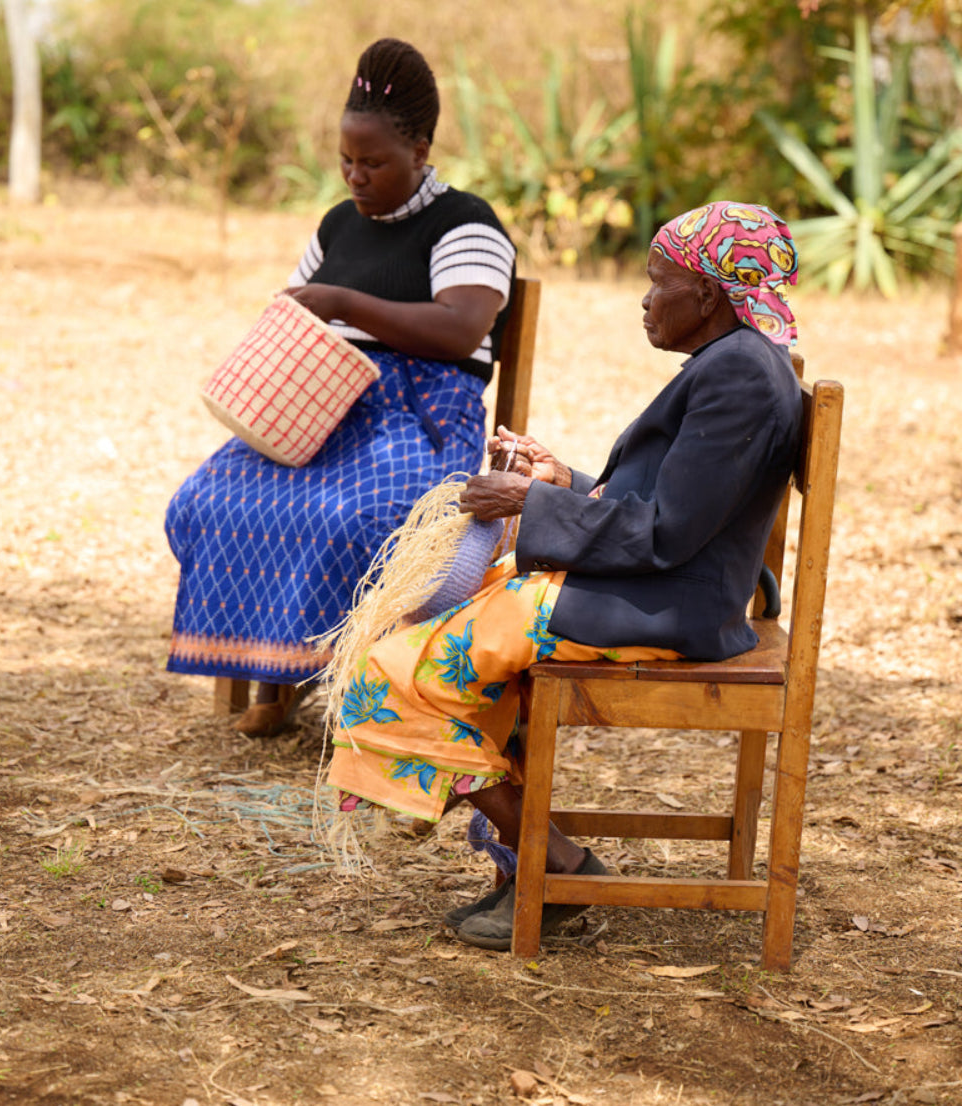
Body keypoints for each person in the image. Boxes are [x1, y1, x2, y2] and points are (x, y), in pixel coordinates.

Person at [325, 200, 804, 951]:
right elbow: (674, 506)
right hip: (657, 587)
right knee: (428, 644)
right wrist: (567, 481)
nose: (646, 299)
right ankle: (536, 865)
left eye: (658, 281)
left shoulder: (740, 372)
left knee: (388, 672)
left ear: (708, 294)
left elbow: (669, 533)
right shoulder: (735, 363)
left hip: (664, 607)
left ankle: (553, 862)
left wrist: (532, 500)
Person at [165, 39, 516, 734]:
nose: (356, 176)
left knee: (353, 519)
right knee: (207, 499)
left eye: (374, 162)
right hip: (320, 407)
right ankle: (281, 676)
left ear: (420, 150)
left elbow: (458, 328)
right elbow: (303, 309)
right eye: (346, 161)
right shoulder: (336, 225)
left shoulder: (466, 223)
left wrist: (342, 302)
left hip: (418, 418)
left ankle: (364, 687)